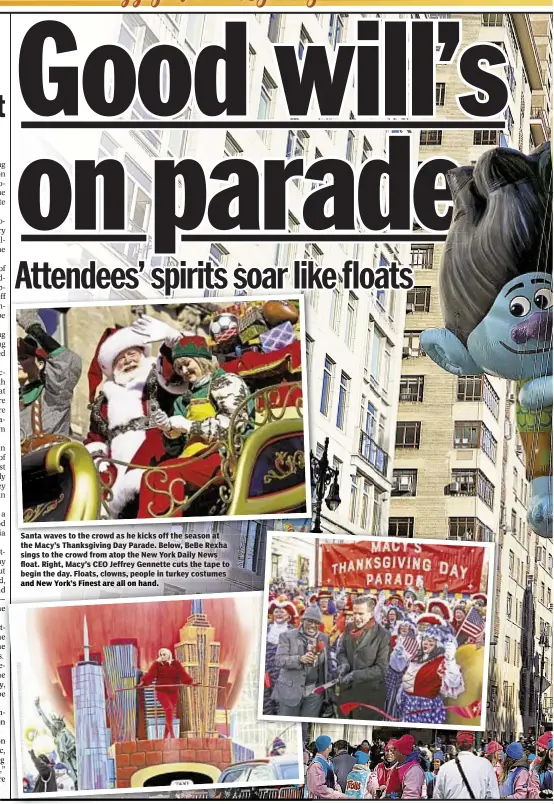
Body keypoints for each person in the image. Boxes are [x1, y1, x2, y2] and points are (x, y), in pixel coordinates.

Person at [85, 325, 179, 517]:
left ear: (142, 353)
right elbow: (94, 437)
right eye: (120, 358)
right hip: (115, 468)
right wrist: (98, 460)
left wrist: (170, 343)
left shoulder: (156, 377)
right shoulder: (103, 402)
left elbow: (175, 371)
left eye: (132, 353)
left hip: (155, 452)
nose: (127, 361)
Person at [18, 308, 82, 444]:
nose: (17, 362)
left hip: (47, 461)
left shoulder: (52, 395)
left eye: (23, 357)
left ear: (40, 364)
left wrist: (34, 328)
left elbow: (68, 364)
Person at [393, 625, 465, 724]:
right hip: (407, 704)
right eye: (425, 640)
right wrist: (402, 689)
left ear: (438, 644)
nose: (426, 643)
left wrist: (450, 659)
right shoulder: (416, 657)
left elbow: (453, 682)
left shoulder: (442, 662)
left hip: (425, 708)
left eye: (431, 641)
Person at [336, 596, 391, 720]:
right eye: (354, 613)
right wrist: (344, 664)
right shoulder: (349, 627)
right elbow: (341, 652)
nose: (356, 617)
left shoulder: (383, 635)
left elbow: (382, 669)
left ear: (371, 614)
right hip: (347, 694)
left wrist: (356, 675)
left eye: (361, 613)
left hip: (369, 697)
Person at [272, 606, 330, 718]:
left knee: (304, 727)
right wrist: (300, 659)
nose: (313, 625)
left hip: (314, 694)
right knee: (287, 726)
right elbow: (278, 660)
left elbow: (327, 666)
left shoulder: (324, 638)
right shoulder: (287, 636)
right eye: (309, 621)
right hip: (290, 692)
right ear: (303, 621)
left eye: (316, 622)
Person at [138, 648, 196, 738]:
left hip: (173, 692)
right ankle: (172, 734)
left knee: (170, 712)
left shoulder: (176, 664)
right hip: (161, 691)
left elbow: (183, 674)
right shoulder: (157, 664)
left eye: (164, 654)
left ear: (169, 654)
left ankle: (165, 736)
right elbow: (150, 675)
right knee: (169, 709)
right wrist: (142, 683)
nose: (162, 656)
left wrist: (191, 682)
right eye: (160, 655)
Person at [432, 731, 500, 799]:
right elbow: (493, 795)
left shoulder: (445, 768)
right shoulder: (486, 765)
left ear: (456, 745)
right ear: (473, 744)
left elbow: (437, 796)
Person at [264, 597, 297, 715]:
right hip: (266, 673)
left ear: (288, 615)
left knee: (281, 705)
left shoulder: (293, 632)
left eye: (282, 611)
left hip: (284, 675)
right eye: (276, 611)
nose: (279, 614)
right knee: (266, 704)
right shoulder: (265, 628)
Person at [34, 698, 77, 786]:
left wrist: (69, 750)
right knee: (67, 771)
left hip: (69, 755)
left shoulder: (65, 732)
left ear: (60, 724)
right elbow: (46, 721)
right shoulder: (56, 734)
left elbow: (73, 742)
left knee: (73, 771)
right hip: (62, 756)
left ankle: (76, 782)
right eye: (54, 724)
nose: (54, 725)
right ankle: (74, 783)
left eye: (56, 724)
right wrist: (38, 708)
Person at [306, 735, 349, 799]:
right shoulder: (316, 765)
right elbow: (318, 788)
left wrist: (337, 787)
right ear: (327, 746)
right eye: (330, 743)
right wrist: (336, 794)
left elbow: (333, 780)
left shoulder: (329, 763)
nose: (332, 745)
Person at [392, 734, 425, 799]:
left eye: (395, 749)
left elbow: (411, 796)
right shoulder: (399, 765)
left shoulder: (413, 770)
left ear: (401, 752)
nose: (393, 752)